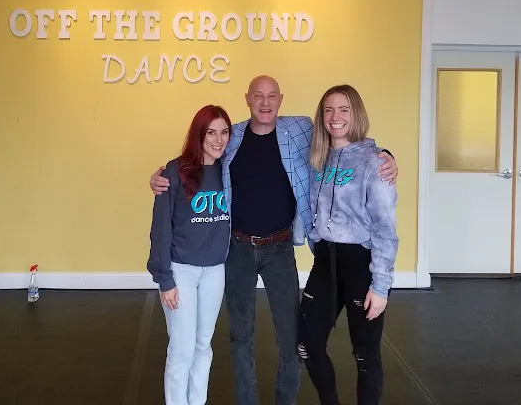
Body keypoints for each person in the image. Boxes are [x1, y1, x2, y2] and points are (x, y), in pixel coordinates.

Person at [150, 76, 398, 405]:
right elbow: (201, 155)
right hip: (237, 249)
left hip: (280, 248)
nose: (265, 103)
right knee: (240, 336)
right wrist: (164, 175)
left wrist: (385, 155)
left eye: (271, 96)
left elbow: (344, 139)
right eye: (257, 96)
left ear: (281, 99)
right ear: (247, 99)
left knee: (291, 337)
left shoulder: (301, 129)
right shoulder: (232, 136)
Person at [296, 84, 398, 405]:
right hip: (325, 263)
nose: (335, 116)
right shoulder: (318, 159)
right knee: (307, 344)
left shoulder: (375, 164)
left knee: (365, 354)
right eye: (328, 110)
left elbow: (385, 229)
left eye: (344, 109)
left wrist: (380, 286)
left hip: (360, 267)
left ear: (356, 114)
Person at [147, 104, 234, 405]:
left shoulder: (228, 171)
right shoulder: (174, 172)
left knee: (203, 346)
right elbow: (160, 229)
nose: (218, 140)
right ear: (199, 134)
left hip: (215, 270)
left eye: (224, 132)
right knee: (182, 349)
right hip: (180, 270)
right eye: (211, 132)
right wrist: (164, 278)